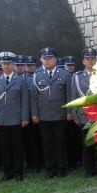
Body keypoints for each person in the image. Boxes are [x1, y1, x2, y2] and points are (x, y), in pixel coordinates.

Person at [30, 47, 71, 178]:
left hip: (60, 115)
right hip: (44, 116)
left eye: (50, 58)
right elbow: (34, 97)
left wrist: (69, 112)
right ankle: (50, 169)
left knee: (60, 143)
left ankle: (61, 169)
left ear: (55, 59)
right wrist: (34, 114)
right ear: (41, 60)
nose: (47, 61)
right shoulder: (36, 75)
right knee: (47, 144)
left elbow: (69, 96)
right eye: (44, 58)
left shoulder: (64, 74)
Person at [0, 52, 29, 182]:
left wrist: (25, 117)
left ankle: (18, 172)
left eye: (8, 63)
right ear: (1, 65)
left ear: (13, 65)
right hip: (1, 119)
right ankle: (7, 172)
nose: (6, 66)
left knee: (17, 147)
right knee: (4, 147)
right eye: (3, 63)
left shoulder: (21, 80)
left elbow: (24, 101)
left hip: (16, 119)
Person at [71, 48, 97, 178]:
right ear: (83, 61)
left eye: (93, 58)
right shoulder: (77, 77)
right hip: (84, 115)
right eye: (87, 59)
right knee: (87, 143)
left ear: (96, 60)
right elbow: (73, 97)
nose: (90, 61)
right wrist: (74, 114)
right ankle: (88, 169)